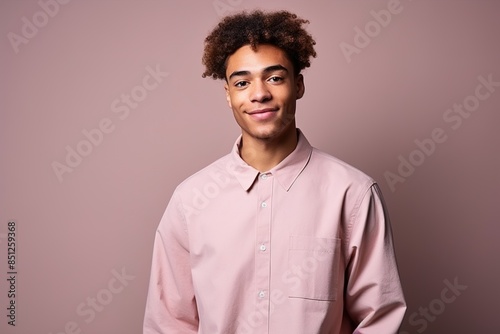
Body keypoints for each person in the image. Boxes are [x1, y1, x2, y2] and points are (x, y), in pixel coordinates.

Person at [143, 9, 406, 334]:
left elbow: (380, 318)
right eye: (242, 82)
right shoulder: (189, 201)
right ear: (228, 95)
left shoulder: (352, 194)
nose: (259, 93)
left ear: (299, 85)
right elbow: (169, 322)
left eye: (275, 77)